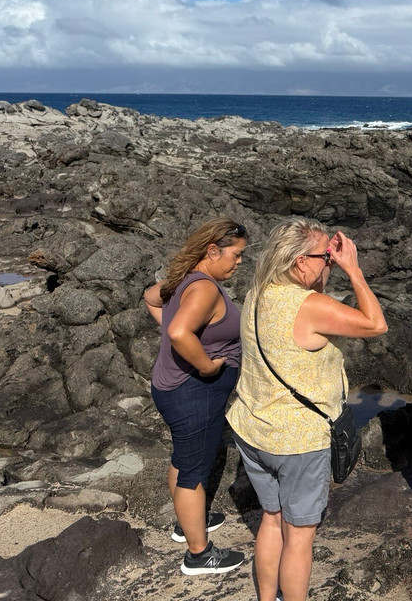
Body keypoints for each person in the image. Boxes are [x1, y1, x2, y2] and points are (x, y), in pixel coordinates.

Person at [227, 219, 387, 601]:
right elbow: (376, 324)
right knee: (299, 537)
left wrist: (325, 268)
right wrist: (354, 269)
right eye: (325, 257)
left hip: (252, 428)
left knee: (271, 518)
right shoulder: (310, 307)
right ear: (300, 262)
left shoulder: (258, 292)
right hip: (297, 440)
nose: (329, 263)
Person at [143, 217, 249, 575]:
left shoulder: (183, 280)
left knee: (184, 456)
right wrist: (204, 365)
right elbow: (178, 330)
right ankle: (198, 554)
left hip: (172, 389)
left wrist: (190, 340)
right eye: (235, 255)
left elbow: (150, 298)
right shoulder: (204, 289)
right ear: (212, 250)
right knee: (193, 470)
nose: (239, 263)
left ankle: (186, 523)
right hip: (192, 392)